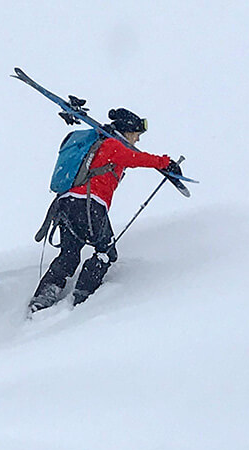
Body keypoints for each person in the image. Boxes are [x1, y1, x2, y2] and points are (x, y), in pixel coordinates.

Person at [29, 108, 181, 312]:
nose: (137, 139)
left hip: (65, 204)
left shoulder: (97, 143)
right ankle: (82, 298)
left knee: (69, 254)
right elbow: (137, 159)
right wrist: (165, 162)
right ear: (127, 131)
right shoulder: (112, 145)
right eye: (136, 134)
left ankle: (43, 298)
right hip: (88, 205)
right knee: (106, 252)